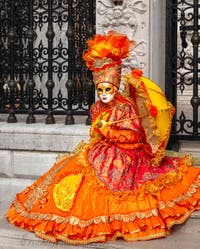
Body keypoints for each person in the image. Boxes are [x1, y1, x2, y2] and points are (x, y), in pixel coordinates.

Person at [6, 30, 200, 245]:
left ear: (115, 86)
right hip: (99, 150)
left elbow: (132, 137)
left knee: (115, 178)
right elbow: (95, 135)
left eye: (108, 89)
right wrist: (99, 130)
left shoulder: (125, 107)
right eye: (100, 90)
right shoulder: (97, 106)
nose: (104, 94)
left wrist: (108, 130)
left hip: (125, 155)